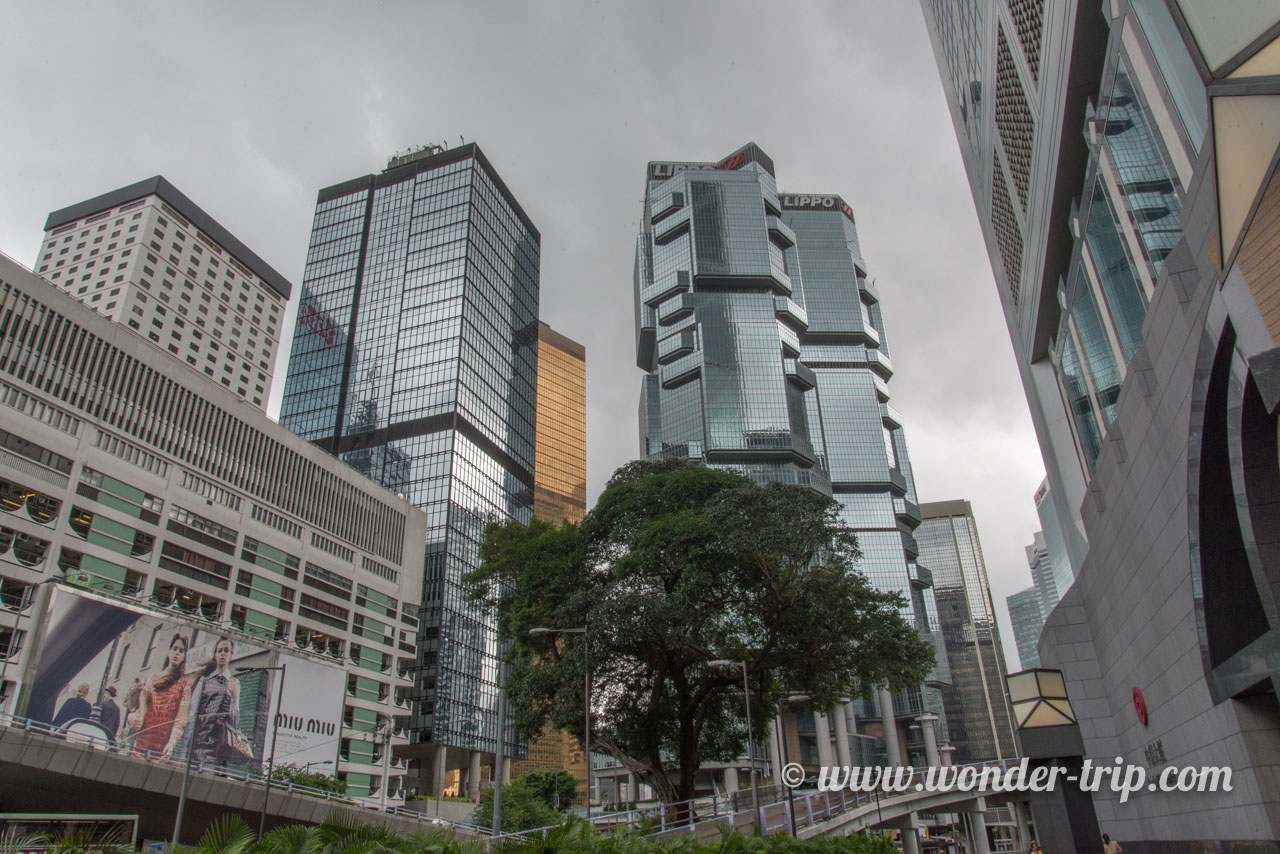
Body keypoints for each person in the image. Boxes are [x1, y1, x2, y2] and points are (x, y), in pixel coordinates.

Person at [130, 633, 192, 759]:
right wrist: (133, 720)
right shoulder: (152, 679)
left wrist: (172, 743)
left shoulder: (185, 685)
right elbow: (141, 710)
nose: (177, 653)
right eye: (174, 649)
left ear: (184, 657)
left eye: (181, 651)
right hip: (142, 743)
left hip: (163, 750)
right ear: (169, 652)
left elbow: (181, 720)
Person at [185, 636, 241, 766]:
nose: (222, 654)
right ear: (215, 655)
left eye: (226, 650)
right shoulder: (204, 680)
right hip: (199, 740)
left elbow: (234, 721)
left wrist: (235, 698)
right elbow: (193, 713)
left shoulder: (235, 683)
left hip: (220, 745)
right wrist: (187, 743)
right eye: (219, 650)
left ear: (231, 655)